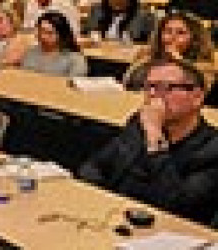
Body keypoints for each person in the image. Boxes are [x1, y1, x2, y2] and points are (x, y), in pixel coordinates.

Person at [78, 57, 218, 225]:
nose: (152, 95)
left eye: (165, 88)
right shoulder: (139, 124)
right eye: (149, 87)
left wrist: (154, 138)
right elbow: (94, 166)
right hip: (116, 218)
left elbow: (178, 207)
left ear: (197, 97)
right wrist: (101, 202)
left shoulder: (212, 149)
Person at [124, 13, 217, 91]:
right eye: (168, 31)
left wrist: (179, 62)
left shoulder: (204, 65)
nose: (173, 37)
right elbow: (128, 83)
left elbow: (199, 92)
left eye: (181, 33)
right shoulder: (147, 55)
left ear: (195, 39)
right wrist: (146, 62)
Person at [81, 0, 155, 44]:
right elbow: (86, 34)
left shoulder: (142, 16)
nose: (117, 2)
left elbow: (144, 42)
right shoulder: (98, 11)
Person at [19, 12, 87, 77]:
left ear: (61, 35)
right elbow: (24, 77)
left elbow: (74, 83)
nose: (43, 36)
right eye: (40, 31)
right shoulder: (32, 52)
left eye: (49, 33)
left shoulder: (74, 59)